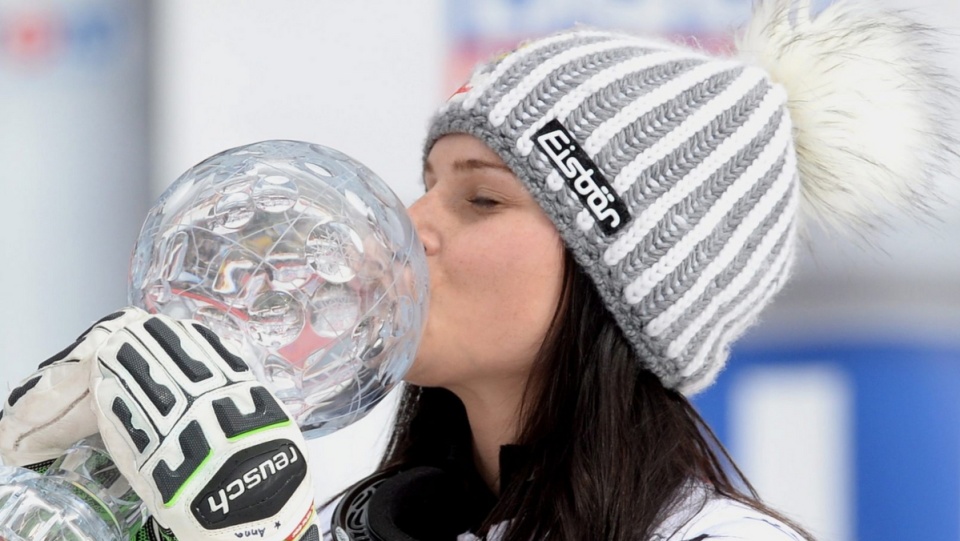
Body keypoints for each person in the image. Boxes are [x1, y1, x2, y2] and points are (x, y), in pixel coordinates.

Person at [0, 0, 954, 540]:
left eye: (480, 198)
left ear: (617, 283)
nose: (412, 227)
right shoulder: (354, 522)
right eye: (426, 183)